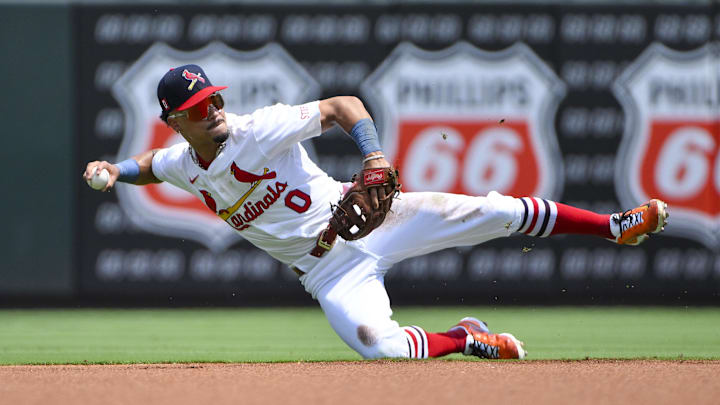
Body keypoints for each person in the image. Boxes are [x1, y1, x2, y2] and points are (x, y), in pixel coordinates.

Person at [84, 65, 668, 360]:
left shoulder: (256, 132)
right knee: (379, 348)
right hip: (328, 273)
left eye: (213, 97)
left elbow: (344, 105)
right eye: (196, 105)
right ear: (176, 119)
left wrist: (375, 156)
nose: (211, 108)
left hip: (366, 216)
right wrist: (114, 169)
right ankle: (467, 339)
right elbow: (152, 165)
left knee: (491, 213)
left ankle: (613, 228)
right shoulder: (186, 162)